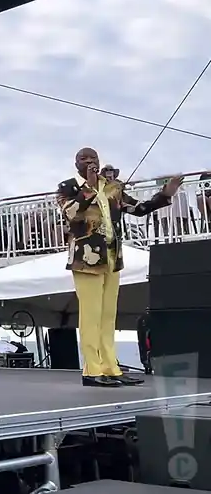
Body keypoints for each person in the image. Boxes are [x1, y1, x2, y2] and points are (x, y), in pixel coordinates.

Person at [56, 147, 181, 388]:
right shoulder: (68, 187)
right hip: (86, 259)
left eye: (93, 158)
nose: (90, 161)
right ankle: (92, 369)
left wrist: (164, 195)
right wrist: (88, 188)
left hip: (112, 257)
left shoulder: (113, 187)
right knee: (91, 314)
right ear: (76, 164)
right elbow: (71, 213)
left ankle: (111, 367)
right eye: (84, 159)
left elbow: (138, 209)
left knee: (107, 315)